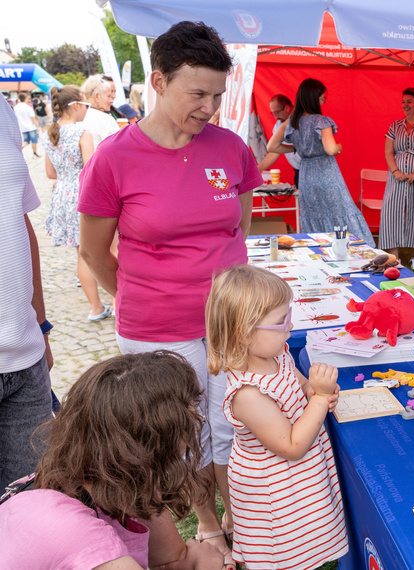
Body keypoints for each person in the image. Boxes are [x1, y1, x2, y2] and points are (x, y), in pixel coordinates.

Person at [79, 21, 264, 570]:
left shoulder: (230, 148)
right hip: (157, 328)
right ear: (158, 82)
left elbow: (239, 227)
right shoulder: (115, 157)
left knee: (233, 423)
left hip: (231, 324)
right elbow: (94, 252)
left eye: (217, 95)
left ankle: (243, 518)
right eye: (197, 94)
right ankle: (207, 525)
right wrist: (145, 294)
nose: (210, 106)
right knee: (183, 436)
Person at [0, 351, 225, 569]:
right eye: (188, 412)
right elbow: (182, 560)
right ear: (156, 438)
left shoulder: (104, 474)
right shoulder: (78, 535)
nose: (196, 418)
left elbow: (171, 556)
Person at [206, 264, 347, 570]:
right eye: (281, 322)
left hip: (298, 481)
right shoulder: (248, 394)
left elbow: (299, 384)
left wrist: (313, 391)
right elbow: (292, 446)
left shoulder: (276, 353)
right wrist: (321, 400)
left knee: (306, 544)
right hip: (278, 493)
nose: (290, 328)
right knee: (284, 556)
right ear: (243, 334)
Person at [0, 96, 53, 491]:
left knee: (35, 501)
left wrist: (41, 323)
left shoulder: (3, 108)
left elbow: (20, 222)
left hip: (24, 357)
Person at [280, 78, 375, 245]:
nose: (324, 98)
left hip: (306, 175)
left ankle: (319, 249)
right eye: (322, 95)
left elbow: (273, 146)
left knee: (314, 215)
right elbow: (330, 149)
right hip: (326, 172)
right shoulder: (321, 121)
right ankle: (354, 248)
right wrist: (339, 146)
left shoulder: (294, 122)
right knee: (341, 210)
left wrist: (301, 149)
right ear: (314, 97)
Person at [42, 85, 109, 322]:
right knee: (96, 250)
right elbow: (92, 170)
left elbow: (51, 173)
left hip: (62, 195)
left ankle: (96, 307)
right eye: (86, 105)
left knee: (81, 253)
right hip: (83, 194)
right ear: (76, 106)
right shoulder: (82, 132)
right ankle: (104, 304)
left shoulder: (48, 133)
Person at [379, 87, 414, 266]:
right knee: (391, 211)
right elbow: (388, 152)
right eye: (403, 102)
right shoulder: (395, 126)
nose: (405, 105)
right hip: (396, 177)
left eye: (409, 101)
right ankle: (394, 256)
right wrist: (396, 172)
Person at [260, 94, 302, 186]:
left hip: (313, 169)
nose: (275, 117)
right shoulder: (278, 125)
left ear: (286, 108)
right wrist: (257, 169)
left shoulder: (304, 118)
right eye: (273, 113)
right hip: (298, 172)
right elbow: (274, 151)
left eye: (277, 113)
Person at [80, 74, 121, 148]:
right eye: (108, 96)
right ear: (97, 96)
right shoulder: (106, 120)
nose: (112, 100)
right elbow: (117, 149)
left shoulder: (77, 118)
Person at [14, 92, 39, 157]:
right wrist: (37, 126)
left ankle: (18, 150)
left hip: (22, 127)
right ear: (26, 99)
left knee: (26, 141)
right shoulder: (28, 107)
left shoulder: (16, 107)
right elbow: (33, 119)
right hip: (31, 127)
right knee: (34, 141)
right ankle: (34, 153)